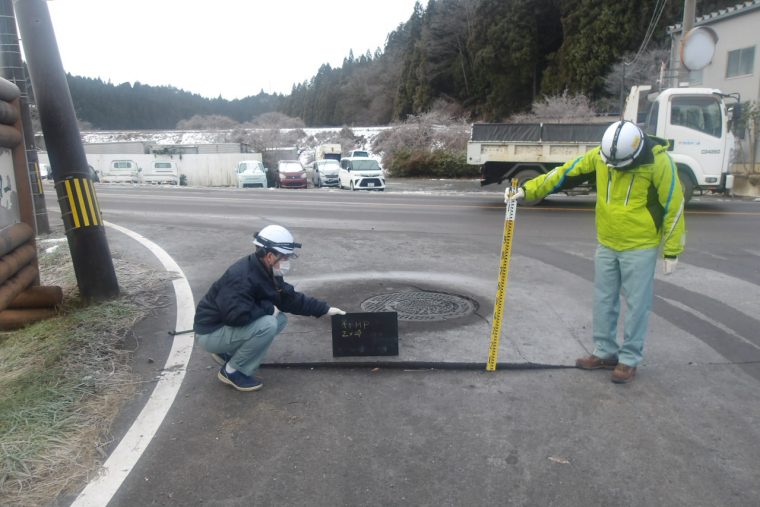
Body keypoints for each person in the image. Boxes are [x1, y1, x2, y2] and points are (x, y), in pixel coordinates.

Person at [506, 120, 685, 383]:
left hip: (640, 244)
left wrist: (671, 251)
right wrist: (527, 189)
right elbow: (564, 173)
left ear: (635, 154)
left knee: (637, 305)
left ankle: (629, 359)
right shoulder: (602, 156)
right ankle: (605, 352)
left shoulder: (660, 163)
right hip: (607, 240)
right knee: (603, 299)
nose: (612, 167)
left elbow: (674, 206)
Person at [193, 225, 346, 391]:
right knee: (268, 324)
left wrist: (325, 309)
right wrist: (268, 309)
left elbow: (289, 299)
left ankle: (229, 353)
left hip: (223, 327)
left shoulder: (265, 270)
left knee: (279, 319)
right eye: (285, 257)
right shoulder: (241, 278)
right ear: (270, 255)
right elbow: (235, 317)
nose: (287, 262)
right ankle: (232, 371)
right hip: (210, 333)